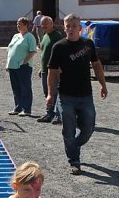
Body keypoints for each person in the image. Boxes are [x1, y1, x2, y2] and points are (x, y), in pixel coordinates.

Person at [46, 14, 108, 175]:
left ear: (80, 28)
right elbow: (52, 72)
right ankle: (74, 160)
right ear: (64, 28)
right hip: (66, 95)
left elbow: (96, 64)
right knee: (68, 129)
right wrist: (50, 94)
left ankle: (74, 144)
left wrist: (103, 84)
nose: (71, 29)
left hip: (85, 95)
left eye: (74, 26)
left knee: (88, 127)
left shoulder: (88, 44)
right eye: (68, 26)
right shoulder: (59, 47)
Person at [6, 17, 37, 117]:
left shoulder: (30, 37)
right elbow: (10, 50)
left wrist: (25, 61)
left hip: (23, 66)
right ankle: (18, 107)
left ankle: (26, 109)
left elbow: (32, 51)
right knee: (16, 88)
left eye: (20, 24)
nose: (18, 25)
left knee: (25, 87)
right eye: (17, 23)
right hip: (12, 66)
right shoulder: (15, 36)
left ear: (26, 25)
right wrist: (7, 64)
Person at [36, 16, 63, 124]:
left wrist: (60, 68)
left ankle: (58, 115)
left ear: (52, 24)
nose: (44, 26)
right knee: (47, 93)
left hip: (54, 70)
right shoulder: (45, 36)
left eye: (46, 24)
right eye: (42, 24)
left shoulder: (57, 36)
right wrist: (40, 68)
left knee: (55, 92)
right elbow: (44, 53)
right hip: (44, 69)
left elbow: (61, 52)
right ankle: (49, 113)